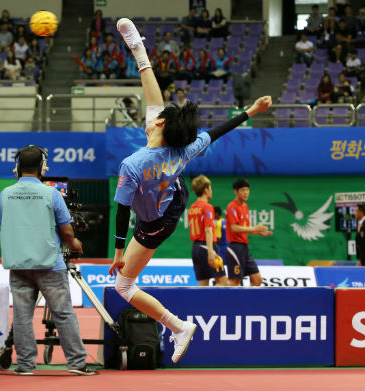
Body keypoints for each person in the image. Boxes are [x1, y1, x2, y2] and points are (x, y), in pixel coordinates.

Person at [110, 17, 272, 364]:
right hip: (173, 195)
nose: (154, 114)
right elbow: (217, 131)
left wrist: (119, 251)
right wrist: (251, 110)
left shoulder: (133, 164)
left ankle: (178, 326)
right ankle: (138, 48)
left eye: (159, 116)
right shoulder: (183, 147)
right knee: (154, 100)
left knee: (123, 286)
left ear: (160, 125)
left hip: (154, 222)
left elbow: (123, 211)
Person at [0, 145, 94, 376]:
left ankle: (25, 365)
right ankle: (77, 363)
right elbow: (67, 231)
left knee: (22, 316)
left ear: (17, 168)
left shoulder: (5, 194)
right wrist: (75, 245)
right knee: (63, 313)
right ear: (43, 168)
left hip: (19, 266)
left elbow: (4, 224)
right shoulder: (51, 194)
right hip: (50, 265)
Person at [225, 178, 272, 286]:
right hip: (235, 248)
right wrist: (255, 229)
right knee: (234, 282)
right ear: (236, 192)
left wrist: (258, 232)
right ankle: (225, 300)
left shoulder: (245, 207)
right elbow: (234, 228)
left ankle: (246, 301)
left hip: (244, 248)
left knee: (257, 280)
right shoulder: (232, 206)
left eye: (247, 190)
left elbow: (246, 228)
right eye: (243, 190)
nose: (246, 192)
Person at [188, 175, 227, 286]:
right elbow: (208, 230)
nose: (211, 191)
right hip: (206, 247)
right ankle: (215, 303)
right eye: (210, 188)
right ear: (206, 190)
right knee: (223, 282)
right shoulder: (207, 207)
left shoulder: (192, 208)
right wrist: (210, 252)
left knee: (203, 284)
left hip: (196, 248)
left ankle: (201, 304)